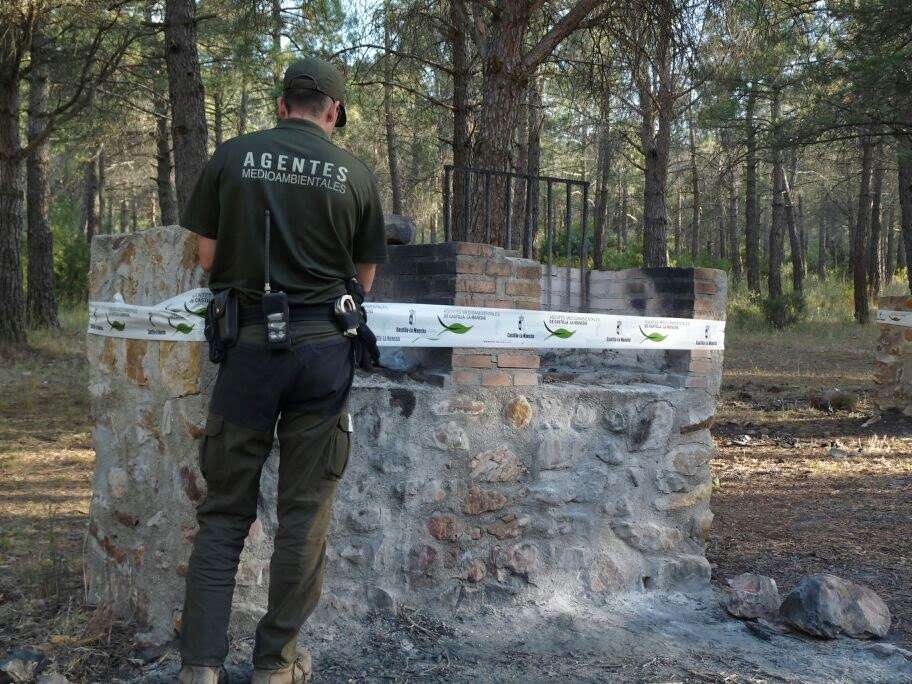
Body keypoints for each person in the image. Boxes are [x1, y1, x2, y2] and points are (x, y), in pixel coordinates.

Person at [177, 57, 387, 684]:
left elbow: (208, 258)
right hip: (322, 361)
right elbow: (365, 279)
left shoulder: (231, 157)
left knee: (223, 513)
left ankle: (201, 668)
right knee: (304, 517)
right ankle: (275, 665)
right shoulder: (354, 174)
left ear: (280, 104)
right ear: (333, 110)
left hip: (246, 355)